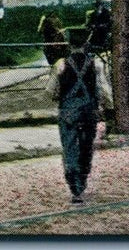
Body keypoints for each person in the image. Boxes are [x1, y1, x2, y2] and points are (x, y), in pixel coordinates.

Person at [45, 43, 114, 204]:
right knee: (86, 146)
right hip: (89, 111)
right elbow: (103, 90)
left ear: (69, 45)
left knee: (69, 146)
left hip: (68, 113)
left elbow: (50, 91)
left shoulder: (61, 64)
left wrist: (61, 95)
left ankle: (73, 183)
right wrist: (108, 107)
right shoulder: (96, 64)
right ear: (86, 44)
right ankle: (82, 180)